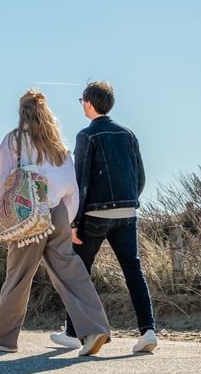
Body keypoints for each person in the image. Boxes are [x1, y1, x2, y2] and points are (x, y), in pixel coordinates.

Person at [0, 89, 112, 356]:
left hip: (26, 214)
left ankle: (4, 338)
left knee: (18, 276)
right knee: (71, 271)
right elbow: (71, 187)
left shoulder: (14, 141)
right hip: (57, 213)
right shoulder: (58, 146)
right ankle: (94, 328)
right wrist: (67, 217)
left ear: (22, 113)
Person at [50, 81, 158, 353]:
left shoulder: (86, 135)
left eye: (82, 101)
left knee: (79, 272)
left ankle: (74, 333)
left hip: (95, 215)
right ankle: (148, 332)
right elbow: (140, 177)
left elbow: (81, 180)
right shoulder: (128, 134)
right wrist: (129, 201)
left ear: (88, 103)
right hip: (127, 213)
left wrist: (75, 222)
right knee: (133, 271)